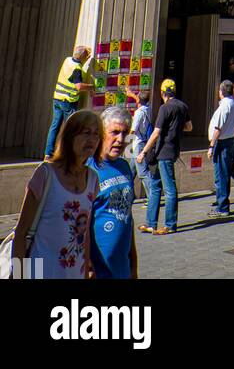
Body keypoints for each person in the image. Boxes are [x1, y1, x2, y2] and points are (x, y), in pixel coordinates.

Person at [12, 108, 100, 280]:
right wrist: (19, 275)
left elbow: (85, 232)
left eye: (96, 134)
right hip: (39, 270)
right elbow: (21, 233)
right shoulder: (46, 174)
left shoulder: (93, 179)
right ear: (70, 136)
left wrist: (87, 267)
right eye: (86, 133)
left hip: (73, 272)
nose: (92, 139)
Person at [88, 104, 138, 279]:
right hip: (96, 270)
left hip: (122, 270)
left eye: (125, 133)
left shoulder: (125, 167)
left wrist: (134, 263)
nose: (120, 139)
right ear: (101, 133)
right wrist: (87, 264)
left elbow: (127, 217)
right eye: (114, 132)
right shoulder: (88, 169)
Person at [138, 78, 191, 235]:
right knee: (155, 185)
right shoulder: (183, 106)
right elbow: (189, 127)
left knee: (169, 189)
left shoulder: (164, 108)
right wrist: (176, 129)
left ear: (162, 93)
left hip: (164, 151)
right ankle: (150, 223)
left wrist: (143, 151)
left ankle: (170, 224)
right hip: (173, 150)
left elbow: (156, 132)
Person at [44, 44, 93, 159]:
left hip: (57, 98)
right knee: (71, 129)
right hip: (68, 102)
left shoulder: (67, 60)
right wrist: (92, 87)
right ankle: (67, 154)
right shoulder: (77, 68)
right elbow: (79, 86)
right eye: (87, 56)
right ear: (83, 57)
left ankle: (48, 153)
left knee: (55, 126)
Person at [208, 79, 234, 217]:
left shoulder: (225, 106)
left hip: (223, 142)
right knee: (225, 173)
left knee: (221, 175)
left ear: (221, 92)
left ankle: (222, 206)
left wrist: (211, 145)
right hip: (231, 140)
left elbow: (218, 128)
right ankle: (222, 204)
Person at [129, 88, 155, 201]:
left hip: (138, 144)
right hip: (143, 142)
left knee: (143, 172)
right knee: (130, 172)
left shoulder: (139, 112)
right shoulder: (148, 109)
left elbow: (133, 130)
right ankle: (130, 195)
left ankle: (152, 198)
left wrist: (125, 142)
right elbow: (141, 101)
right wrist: (132, 95)